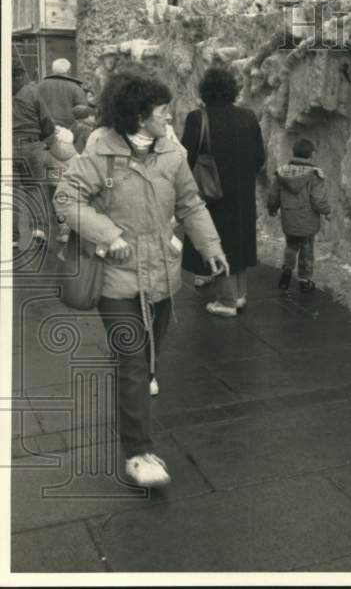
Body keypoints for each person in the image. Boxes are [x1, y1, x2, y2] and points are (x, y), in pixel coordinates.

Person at [54, 66, 229, 488]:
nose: (169, 118)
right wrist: (107, 233)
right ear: (137, 116)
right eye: (161, 111)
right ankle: (138, 453)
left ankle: (141, 382)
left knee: (149, 356)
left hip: (162, 277)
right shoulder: (99, 153)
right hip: (116, 280)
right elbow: (66, 197)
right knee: (132, 362)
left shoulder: (173, 153)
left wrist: (212, 247)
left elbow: (190, 203)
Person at [181, 67, 266, 317]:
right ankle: (239, 295)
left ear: (205, 91)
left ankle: (227, 301)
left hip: (212, 192)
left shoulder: (198, 118)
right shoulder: (248, 116)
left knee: (218, 239)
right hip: (243, 191)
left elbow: (186, 158)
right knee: (239, 239)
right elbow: (260, 156)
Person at [267, 138, 331, 292]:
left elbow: (273, 195)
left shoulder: (282, 173)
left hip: (289, 219)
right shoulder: (314, 175)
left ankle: (287, 269)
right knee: (307, 248)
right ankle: (304, 280)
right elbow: (318, 200)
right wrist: (326, 211)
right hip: (308, 220)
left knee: (291, 245)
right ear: (310, 155)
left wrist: (272, 208)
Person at [11, 64, 55, 245]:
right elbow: (47, 121)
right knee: (35, 188)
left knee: (11, 191)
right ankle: (38, 230)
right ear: (20, 75)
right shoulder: (32, 92)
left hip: (8, 145)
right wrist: (45, 141)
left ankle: (12, 237)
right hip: (32, 144)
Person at [34, 58, 88, 128]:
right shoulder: (75, 87)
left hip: (44, 129)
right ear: (69, 71)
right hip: (68, 131)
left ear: (53, 70)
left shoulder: (39, 86)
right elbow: (83, 112)